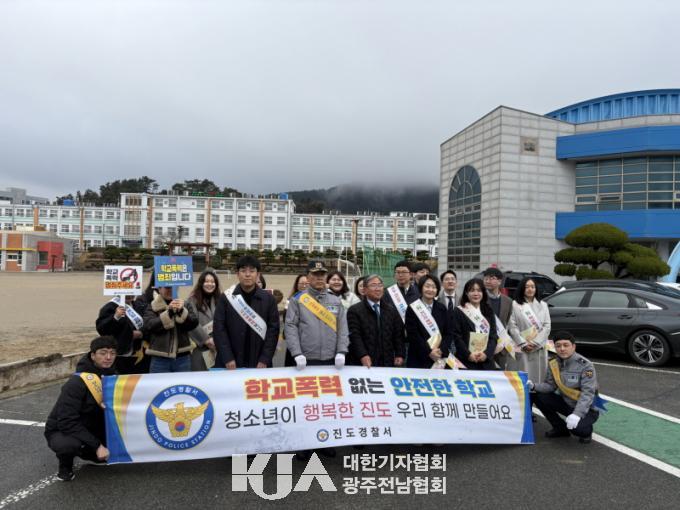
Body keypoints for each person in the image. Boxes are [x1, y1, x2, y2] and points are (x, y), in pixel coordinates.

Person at [285, 260, 349, 459]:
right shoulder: (298, 300)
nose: (319, 278)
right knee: (307, 405)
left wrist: (342, 351)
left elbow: (343, 328)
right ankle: (305, 444)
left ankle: (325, 441)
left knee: (327, 405)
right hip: (307, 361)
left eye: (322, 274)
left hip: (331, 361)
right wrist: (297, 353)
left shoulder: (335, 300)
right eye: (315, 274)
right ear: (308, 277)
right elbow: (290, 327)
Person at [44, 336, 117, 482]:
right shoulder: (76, 382)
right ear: (93, 355)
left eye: (112, 353)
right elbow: (66, 421)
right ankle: (65, 466)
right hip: (63, 429)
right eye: (103, 353)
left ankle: (89, 452)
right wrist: (97, 446)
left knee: (107, 454)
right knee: (68, 445)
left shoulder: (113, 376)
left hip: (92, 425)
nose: (108, 357)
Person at [529, 331, 601, 443]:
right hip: (567, 403)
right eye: (558, 346)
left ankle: (587, 432)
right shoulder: (553, 363)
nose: (562, 349)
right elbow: (550, 386)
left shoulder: (586, 365)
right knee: (538, 395)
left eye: (566, 345)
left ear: (573, 347)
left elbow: (588, 394)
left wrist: (577, 414)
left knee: (578, 429)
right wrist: (534, 386)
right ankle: (560, 428)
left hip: (587, 408)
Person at [213, 256, 279, 369]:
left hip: (259, 362)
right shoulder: (226, 298)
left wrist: (265, 359)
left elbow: (273, 331)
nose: (247, 275)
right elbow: (219, 329)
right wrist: (227, 358)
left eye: (252, 271)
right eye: (243, 271)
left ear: (258, 274)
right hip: (231, 362)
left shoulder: (269, 299)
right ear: (237, 274)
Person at [347, 274, 405, 368]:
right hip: (363, 363)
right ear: (365, 290)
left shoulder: (391, 310)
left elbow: (398, 334)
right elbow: (355, 336)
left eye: (380, 285)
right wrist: (362, 355)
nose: (378, 289)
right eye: (373, 285)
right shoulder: (354, 310)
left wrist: (400, 354)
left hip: (387, 361)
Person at [143, 285, 199, 373]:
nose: (171, 290)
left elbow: (194, 323)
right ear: (159, 289)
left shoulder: (185, 304)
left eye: (174, 287)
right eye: (167, 287)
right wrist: (169, 313)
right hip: (159, 359)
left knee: (183, 382)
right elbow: (149, 326)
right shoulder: (152, 306)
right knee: (159, 382)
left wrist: (181, 311)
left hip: (183, 358)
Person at [508, 277, 551, 383]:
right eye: (527, 287)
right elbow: (512, 326)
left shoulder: (543, 305)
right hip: (523, 347)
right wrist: (523, 343)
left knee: (539, 377)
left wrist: (536, 342)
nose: (530, 289)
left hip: (539, 346)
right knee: (523, 376)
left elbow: (547, 326)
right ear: (522, 288)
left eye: (532, 287)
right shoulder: (515, 304)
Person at [405, 275, 452, 369]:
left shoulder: (442, 308)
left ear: (437, 290)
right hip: (418, 357)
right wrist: (429, 352)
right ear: (421, 288)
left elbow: (448, 333)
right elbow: (413, 334)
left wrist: (441, 350)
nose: (430, 290)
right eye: (427, 286)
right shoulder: (412, 308)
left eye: (434, 287)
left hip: (439, 357)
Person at [452, 278, 498, 370]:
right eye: (472, 290)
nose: (476, 294)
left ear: (483, 293)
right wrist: (468, 354)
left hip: (486, 362)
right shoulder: (459, 311)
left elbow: (493, 336)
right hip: (465, 361)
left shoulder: (488, 310)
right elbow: (457, 336)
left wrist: (486, 354)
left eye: (479, 290)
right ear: (466, 293)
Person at [95, 295, 146, 374]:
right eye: (127, 294)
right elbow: (102, 330)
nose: (129, 295)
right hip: (119, 354)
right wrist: (116, 317)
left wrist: (141, 333)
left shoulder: (139, 306)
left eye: (132, 293)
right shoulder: (109, 307)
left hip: (139, 353)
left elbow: (148, 323)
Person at [187, 268, 222, 371]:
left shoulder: (220, 299)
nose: (209, 284)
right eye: (206, 281)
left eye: (212, 282)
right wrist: (206, 340)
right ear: (201, 283)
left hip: (219, 346)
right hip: (200, 346)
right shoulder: (192, 300)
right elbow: (191, 322)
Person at [483, 267, 513, 368]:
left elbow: (508, 323)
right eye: (486, 278)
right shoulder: (479, 298)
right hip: (483, 346)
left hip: (501, 347)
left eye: (492, 278)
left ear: (499, 281)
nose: (488, 281)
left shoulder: (508, 301)